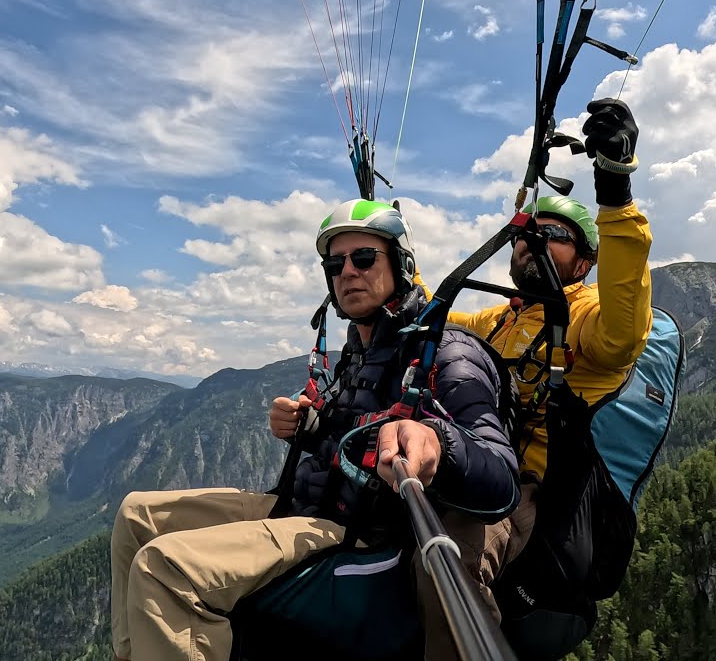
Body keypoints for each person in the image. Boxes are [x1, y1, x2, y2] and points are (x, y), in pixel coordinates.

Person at [109, 200, 520, 661]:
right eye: (335, 263)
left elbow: (502, 483)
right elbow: (349, 436)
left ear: (402, 265)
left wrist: (440, 444)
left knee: (165, 569)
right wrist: (308, 427)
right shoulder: (358, 352)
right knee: (135, 514)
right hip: (307, 505)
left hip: (356, 531)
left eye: (364, 258)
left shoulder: (446, 352)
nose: (347, 271)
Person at [445, 98, 654, 649]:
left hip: (527, 493)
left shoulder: (582, 317)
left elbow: (622, 335)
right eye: (525, 234)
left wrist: (614, 191)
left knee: (450, 566)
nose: (532, 241)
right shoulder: (496, 317)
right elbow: (430, 318)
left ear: (584, 263)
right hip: (468, 462)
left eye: (554, 235)